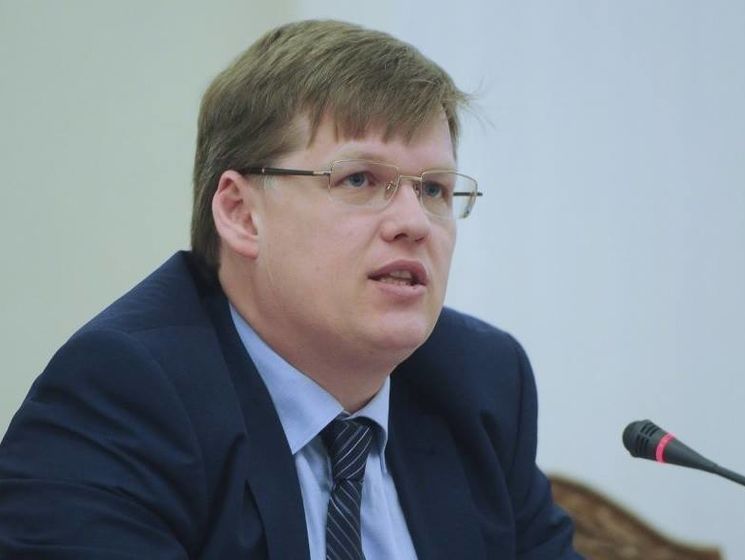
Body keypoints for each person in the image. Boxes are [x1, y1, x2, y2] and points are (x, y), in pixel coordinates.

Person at [0, 19, 582, 559]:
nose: (414, 222)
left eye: (434, 190)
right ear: (241, 214)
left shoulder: (480, 382)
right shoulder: (124, 394)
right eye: (359, 179)